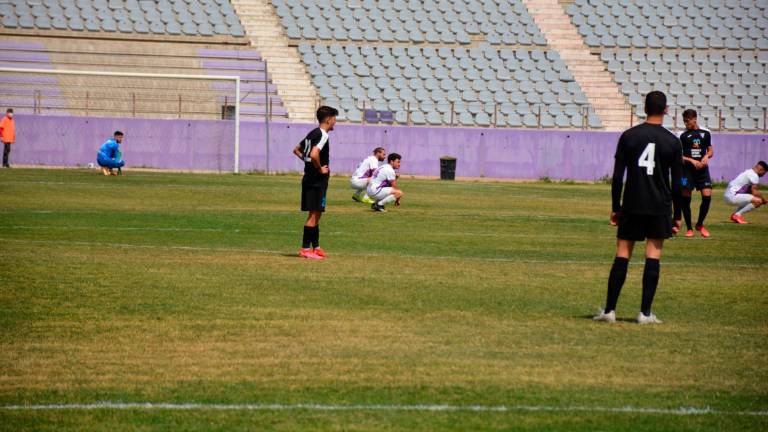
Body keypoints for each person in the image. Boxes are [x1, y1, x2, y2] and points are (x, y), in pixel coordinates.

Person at [594, 91, 683, 325]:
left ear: (645, 108)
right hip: (659, 206)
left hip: (632, 204)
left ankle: (610, 311)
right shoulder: (673, 141)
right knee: (653, 255)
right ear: (665, 110)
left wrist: (616, 206)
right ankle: (644, 313)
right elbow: (679, 182)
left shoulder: (629, 136)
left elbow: (616, 176)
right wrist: (678, 215)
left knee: (622, 254)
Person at [292, 106, 338, 260]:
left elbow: (297, 150)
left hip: (310, 179)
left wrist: (309, 162)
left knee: (317, 213)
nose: (335, 123)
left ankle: (316, 247)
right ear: (329, 119)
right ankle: (305, 249)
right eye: (334, 119)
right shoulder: (323, 135)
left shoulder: (312, 133)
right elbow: (314, 154)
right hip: (316, 180)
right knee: (314, 214)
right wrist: (319, 169)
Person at [676, 109, 713, 238]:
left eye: (687, 121)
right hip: (685, 172)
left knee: (707, 196)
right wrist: (691, 160)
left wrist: (706, 157)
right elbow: (678, 156)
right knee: (685, 198)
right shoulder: (681, 135)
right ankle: (689, 228)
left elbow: (710, 151)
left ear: (694, 119)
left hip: (702, 171)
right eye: (684, 121)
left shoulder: (706, 133)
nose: (686, 124)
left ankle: (700, 224)